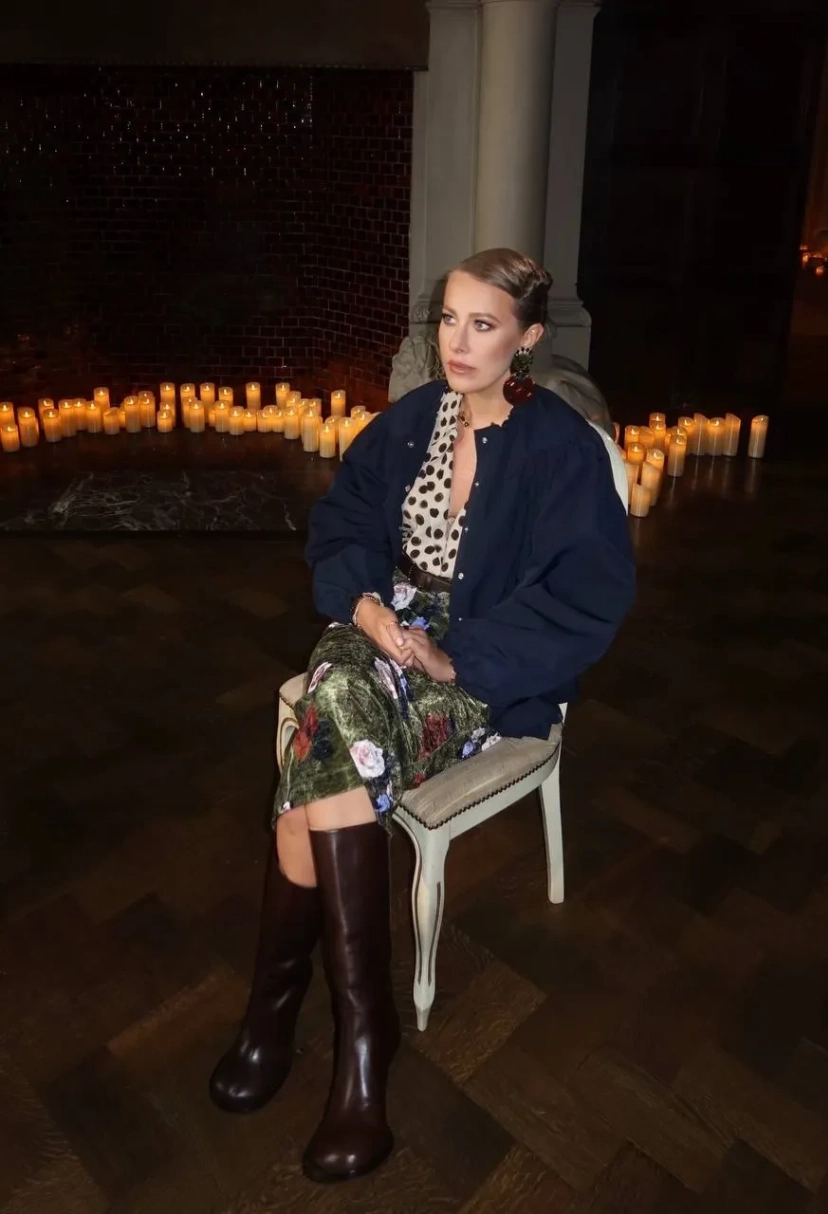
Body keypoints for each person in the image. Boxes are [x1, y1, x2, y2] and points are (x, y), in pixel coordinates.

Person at [209, 248, 635, 1183]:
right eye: (449, 319)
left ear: (528, 337)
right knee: (340, 695)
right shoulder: (411, 422)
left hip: (484, 660)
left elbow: (587, 595)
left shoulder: (561, 449)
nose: (458, 342)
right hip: (381, 629)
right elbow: (343, 526)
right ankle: (358, 1038)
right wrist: (364, 607)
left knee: (322, 740)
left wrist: (458, 657)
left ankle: (300, 1020)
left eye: (484, 325)